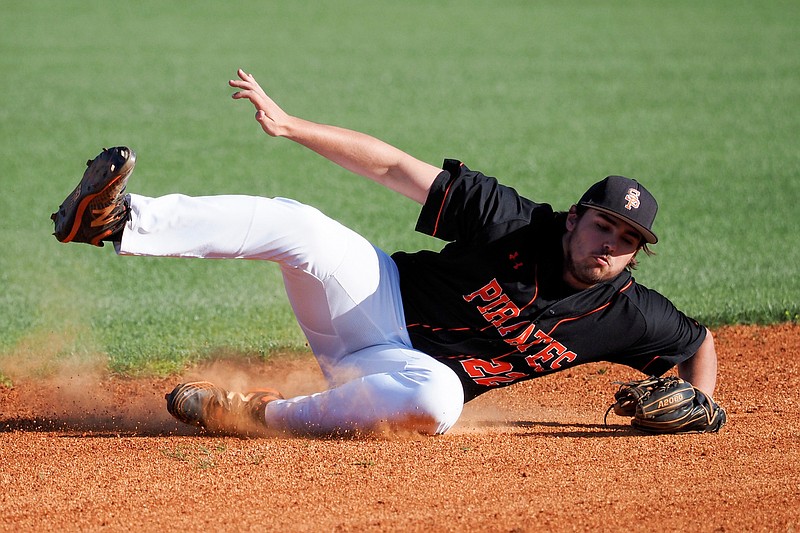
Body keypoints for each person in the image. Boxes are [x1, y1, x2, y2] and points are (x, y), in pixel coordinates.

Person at [51, 68, 724, 437]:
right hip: (373, 301)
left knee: (439, 398)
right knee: (299, 225)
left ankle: (252, 413)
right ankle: (116, 221)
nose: (613, 243)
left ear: (636, 254)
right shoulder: (512, 222)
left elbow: (698, 341)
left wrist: (702, 402)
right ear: (576, 217)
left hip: (399, 380)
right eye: (605, 225)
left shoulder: (627, 312)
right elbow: (395, 168)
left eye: (629, 240)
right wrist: (289, 127)